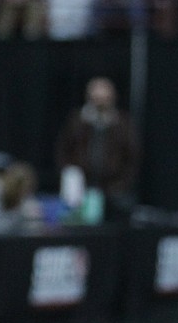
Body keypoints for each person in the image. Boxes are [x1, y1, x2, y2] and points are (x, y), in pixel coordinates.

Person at [55, 76, 141, 224]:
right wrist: (70, 175)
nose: (100, 102)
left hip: (113, 190)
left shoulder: (123, 124)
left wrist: (121, 184)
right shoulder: (77, 121)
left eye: (104, 98)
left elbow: (132, 158)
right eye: (96, 98)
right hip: (80, 189)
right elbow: (63, 151)